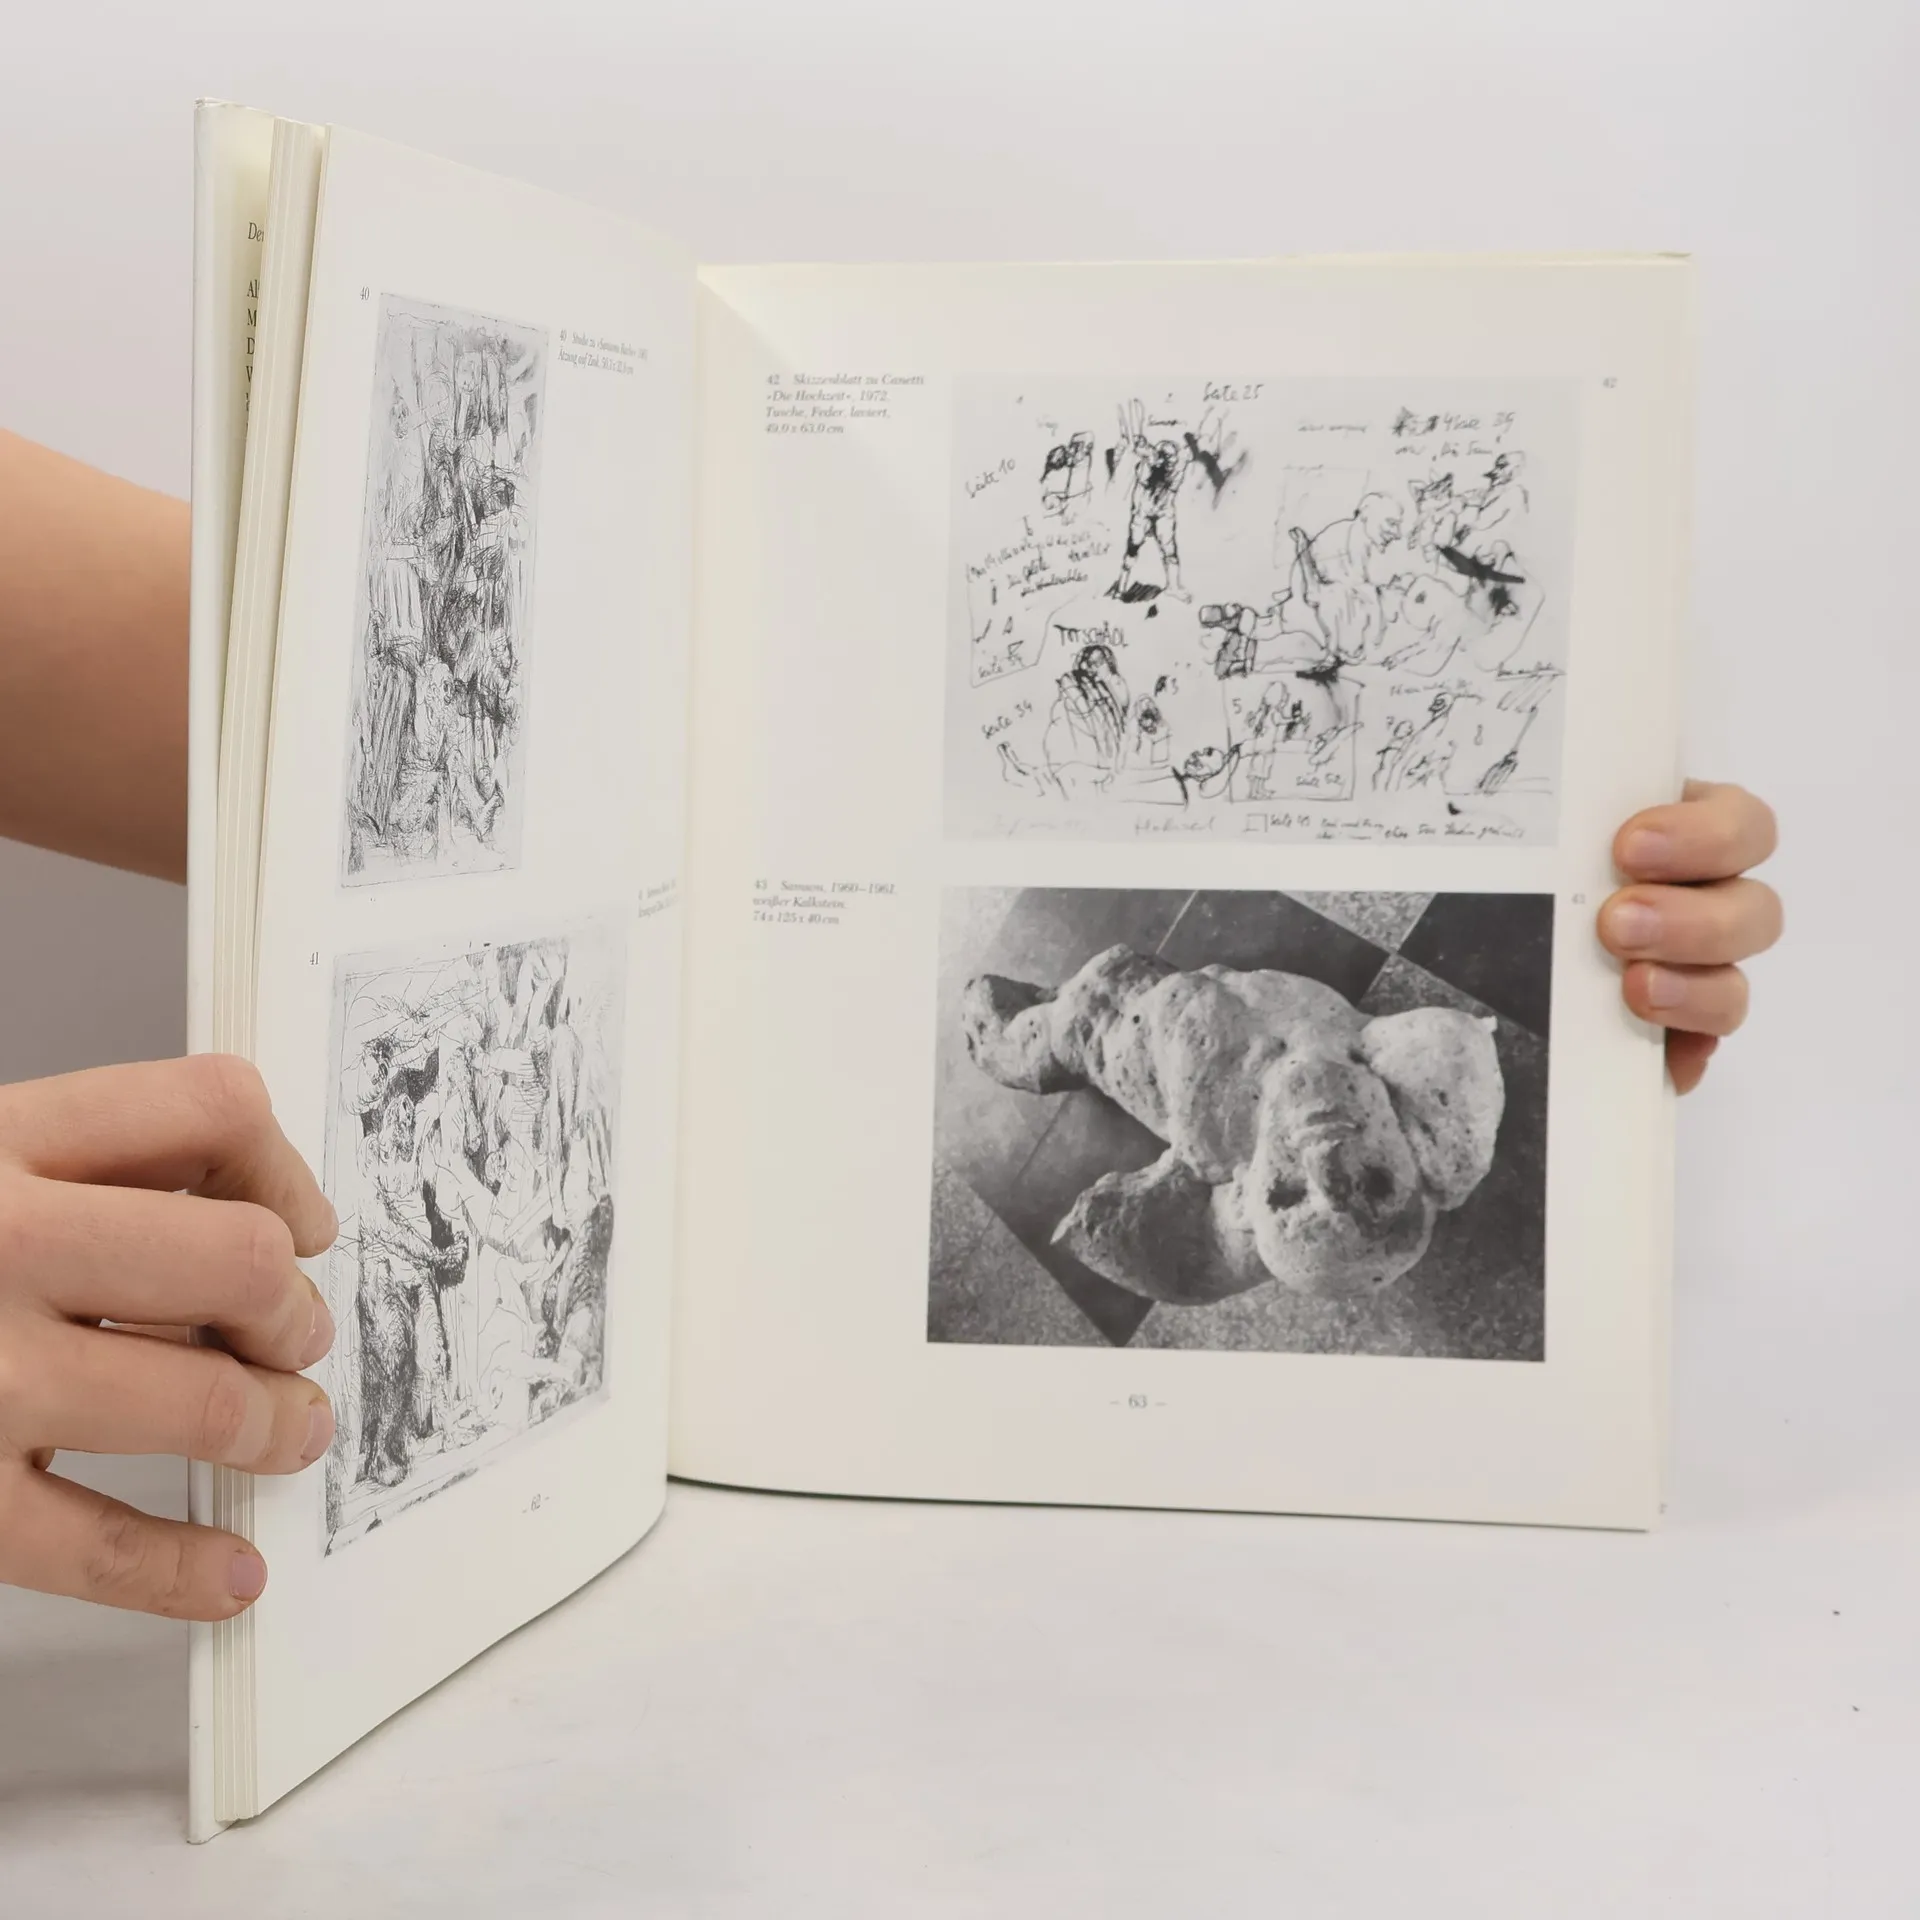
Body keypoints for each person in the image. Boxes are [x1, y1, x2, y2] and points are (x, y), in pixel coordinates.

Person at [0, 429, 1784, 1621]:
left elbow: (298, 704)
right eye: (1366, 1185)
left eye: (1322, 1196)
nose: (1333, 1165)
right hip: (1162, 1010)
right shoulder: (1379, 1072)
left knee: (1051, 1036)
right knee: (1064, 1020)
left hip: (1125, 1030)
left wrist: (1552, 798)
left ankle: (1009, 1039)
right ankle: (1022, 1033)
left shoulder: (1224, 1152)